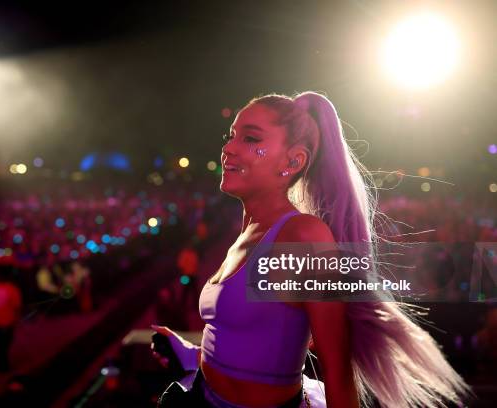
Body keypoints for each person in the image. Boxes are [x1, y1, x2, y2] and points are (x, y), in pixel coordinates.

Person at [152, 92, 470, 407]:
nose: (229, 148)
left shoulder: (302, 236)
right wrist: (190, 353)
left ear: (294, 160)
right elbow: (251, 341)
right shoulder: (248, 230)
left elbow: (336, 370)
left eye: (250, 138)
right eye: (231, 135)